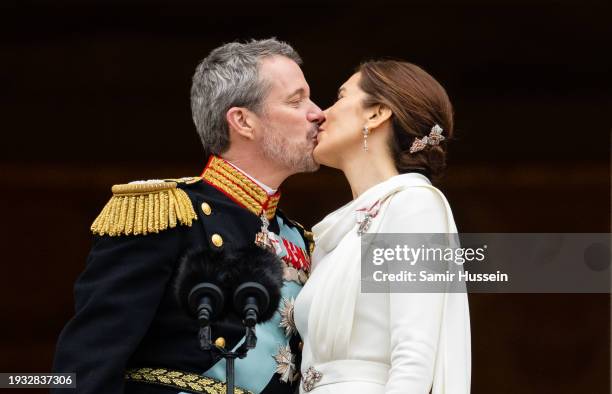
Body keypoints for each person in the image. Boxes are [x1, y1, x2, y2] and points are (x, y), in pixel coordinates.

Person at [52, 38, 325, 394]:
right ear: (242, 121)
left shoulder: (297, 236)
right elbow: (88, 362)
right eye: (296, 100)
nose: (318, 112)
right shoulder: (166, 212)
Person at [293, 60, 471, 394]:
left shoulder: (414, 205)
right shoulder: (336, 231)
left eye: (340, 97)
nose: (321, 114)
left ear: (376, 113)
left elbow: (414, 359)